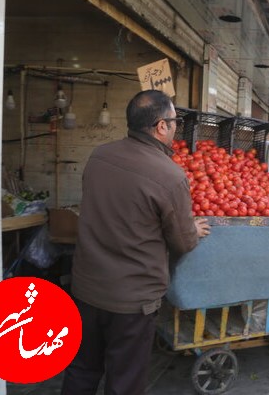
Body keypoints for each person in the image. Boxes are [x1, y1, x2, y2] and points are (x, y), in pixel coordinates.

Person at [61, 90, 211, 395]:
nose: (175, 128)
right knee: (125, 381)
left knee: (81, 370)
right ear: (160, 126)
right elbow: (182, 242)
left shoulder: (99, 155)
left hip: (86, 288)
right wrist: (193, 229)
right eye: (174, 122)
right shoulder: (170, 176)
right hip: (131, 302)